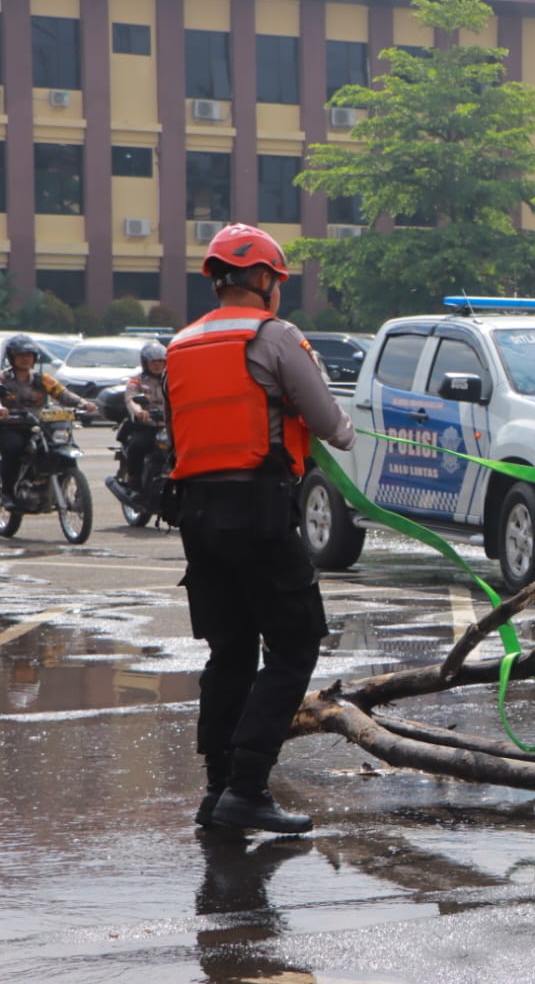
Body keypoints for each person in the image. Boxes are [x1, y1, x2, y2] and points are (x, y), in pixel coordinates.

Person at [166, 223, 355, 835]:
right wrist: (339, 431)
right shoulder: (275, 336)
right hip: (261, 514)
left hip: (197, 516)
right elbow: (330, 423)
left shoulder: (180, 345)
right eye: (277, 279)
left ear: (218, 281)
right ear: (267, 281)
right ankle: (247, 789)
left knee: (230, 653)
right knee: (295, 646)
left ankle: (217, 791)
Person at [0, 334, 96, 509]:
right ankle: (7, 493)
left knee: (61, 445)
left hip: (40, 425)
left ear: (35, 358)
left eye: (29, 355)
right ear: (12, 357)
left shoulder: (43, 379)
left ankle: (61, 485)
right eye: (20, 355)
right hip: (11, 426)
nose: (25, 359)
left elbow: (62, 393)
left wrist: (83, 403)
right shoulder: (3, 379)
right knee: (12, 448)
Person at [117, 341, 168, 491]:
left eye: (161, 361)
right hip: (146, 426)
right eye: (153, 362)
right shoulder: (137, 380)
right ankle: (134, 483)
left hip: (170, 426)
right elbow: (131, 398)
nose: (157, 365)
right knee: (137, 446)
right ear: (146, 363)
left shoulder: (174, 379)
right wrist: (139, 412)